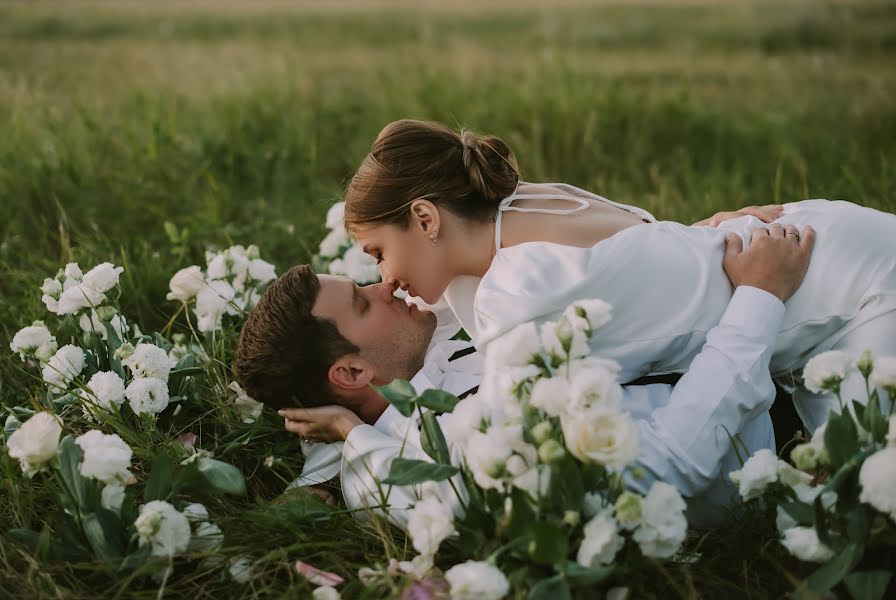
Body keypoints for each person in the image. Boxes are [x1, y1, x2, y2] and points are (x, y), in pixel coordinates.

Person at [234, 222, 813, 528]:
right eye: (362, 302)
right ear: (352, 370)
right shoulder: (440, 460)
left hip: (767, 342)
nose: (382, 284)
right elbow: (678, 455)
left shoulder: (425, 363)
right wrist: (759, 298)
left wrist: (695, 243)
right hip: (782, 440)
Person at [343, 119, 896, 433]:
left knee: (865, 493)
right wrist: (701, 232)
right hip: (818, 242)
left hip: (847, 292)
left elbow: (504, 430)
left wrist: (358, 434)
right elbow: (644, 261)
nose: (385, 279)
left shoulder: (518, 289)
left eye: (378, 253)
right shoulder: (528, 204)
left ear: (423, 217)